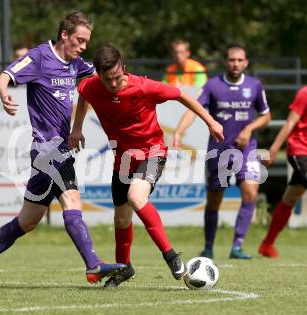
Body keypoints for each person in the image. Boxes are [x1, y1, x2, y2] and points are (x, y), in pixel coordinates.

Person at [0, 11, 126, 289]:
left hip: (55, 151)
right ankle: (93, 266)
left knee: (27, 221)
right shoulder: (40, 57)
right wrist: (4, 94)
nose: (83, 47)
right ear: (65, 35)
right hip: (48, 149)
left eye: (86, 42)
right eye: (79, 40)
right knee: (72, 200)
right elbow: (4, 76)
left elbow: (101, 80)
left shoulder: (76, 64)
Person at [69, 44, 224, 287]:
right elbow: (83, 95)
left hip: (152, 153)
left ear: (124, 69)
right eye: (107, 79)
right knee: (121, 220)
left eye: (118, 77)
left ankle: (171, 255)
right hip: (122, 159)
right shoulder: (91, 86)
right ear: (98, 74)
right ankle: (123, 268)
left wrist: (211, 122)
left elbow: (182, 95)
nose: (113, 83)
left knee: (136, 197)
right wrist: (76, 128)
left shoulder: (144, 86)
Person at [173, 44, 271, 259]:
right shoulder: (213, 85)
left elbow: (266, 115)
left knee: (250, 193)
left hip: (247, 149)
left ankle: (237, 246)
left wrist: (249, 128)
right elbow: (194, 109)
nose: (235, 64)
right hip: (219, 151)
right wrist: (179, 131)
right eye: (231, 60)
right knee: (214, 200)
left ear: (246, 63)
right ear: (226, 62)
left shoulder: (254, 85)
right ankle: (208, 246)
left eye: (239, 60)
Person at [258, 59, 307, 258]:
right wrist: (273, 149)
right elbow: (289, 124)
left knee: (290, 198)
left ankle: (267, 245)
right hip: (299, 150)